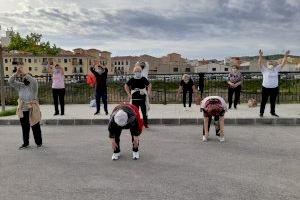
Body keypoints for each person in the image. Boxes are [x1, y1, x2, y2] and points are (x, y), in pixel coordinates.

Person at [8, 67, 43, 149]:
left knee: (35, 125)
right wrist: (16, 73)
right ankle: (25, 143)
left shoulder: (34, 85)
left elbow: (33, 80)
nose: (25, 78)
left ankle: (39, 142)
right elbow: (10, 81)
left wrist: (24, 73)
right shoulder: (21, 85)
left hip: (32, 108)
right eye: (24, 78)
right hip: (23, 108)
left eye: (27, 77)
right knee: (25, 127)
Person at [258, 49, 290, 117]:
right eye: (269, 64)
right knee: (263, 101)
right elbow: (259, 63)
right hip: (265, 88)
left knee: (273, 101)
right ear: (267, 65)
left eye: (272, 64)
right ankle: (261, 113)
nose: (270, 65)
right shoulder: (264, 70)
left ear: (274, 65)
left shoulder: (276, 69)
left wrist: (286, 55)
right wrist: (260, 55)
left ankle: (272, 112)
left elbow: (283, 63)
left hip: (274, 88)